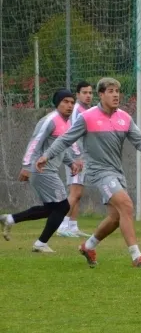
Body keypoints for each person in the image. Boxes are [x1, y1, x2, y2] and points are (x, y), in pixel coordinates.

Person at [36, 77, 141, 268]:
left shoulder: (124, 117)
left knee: (115, 218)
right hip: (99, 172)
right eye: (111, 91)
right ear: (101, 95)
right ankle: (137, 256)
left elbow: (139, 141)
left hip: (116, 172)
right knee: (127, 205)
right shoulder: (87, 117)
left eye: (117, 91)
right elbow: (65, 139)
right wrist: (46, 156)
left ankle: (88, 246)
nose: (116, 95)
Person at [1, 89, 81, 253]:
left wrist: (70, 162)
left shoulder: (66, 123)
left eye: (72, 102)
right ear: (57, 103)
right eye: (65, 101)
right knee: (63, 207)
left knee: (50, 209)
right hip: (41, 169)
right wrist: (26, 166)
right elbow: (35, 142)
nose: (69, 105)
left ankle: (10, 219)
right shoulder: (50, 120)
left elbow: (60, 147)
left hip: (48, 170)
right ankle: (40, 243)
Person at [57, 80, 93, 238]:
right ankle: (62, 225)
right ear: (78, 95)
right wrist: (76, 157)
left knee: (78, 192)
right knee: (74, 191)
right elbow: (70, 135)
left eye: (90, 93)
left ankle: (72, 225)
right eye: (84, 93)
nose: (88, 96)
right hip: (75, 156)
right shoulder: (77, 110)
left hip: (82, 157)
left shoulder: (87, 110)